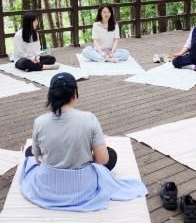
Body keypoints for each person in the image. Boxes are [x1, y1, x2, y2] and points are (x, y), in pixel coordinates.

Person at [21, 72, 147, 211]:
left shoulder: (40, 122)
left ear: (51, 94)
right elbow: (102, 160)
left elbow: (38, 160)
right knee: (110, 155)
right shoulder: (89, 119)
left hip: (47, 188)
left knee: (30, 152)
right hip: (82, 189)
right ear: (74, 93)